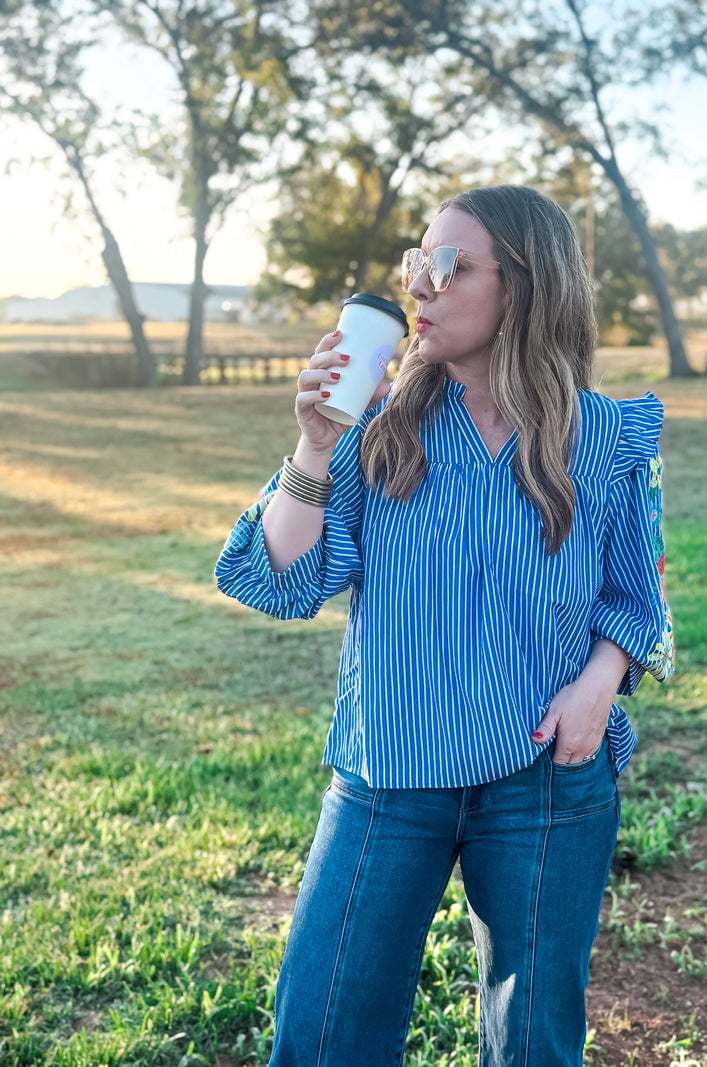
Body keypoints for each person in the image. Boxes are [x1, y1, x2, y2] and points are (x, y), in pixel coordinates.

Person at [215, 184, 674, 1067]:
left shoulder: (611, 437)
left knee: (534, 1044)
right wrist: (314, 443)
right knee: (322, 1034)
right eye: (415, 263)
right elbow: (283, 580)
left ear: (529, 285)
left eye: (448, 264)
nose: (419, 287)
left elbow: (638, 594)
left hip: (546, 774)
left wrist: (599, 680)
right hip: (389, 772)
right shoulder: (377, 430)